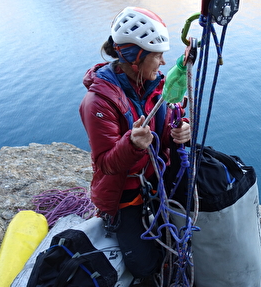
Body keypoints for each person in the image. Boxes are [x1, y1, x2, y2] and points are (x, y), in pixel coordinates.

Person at [79, 7, 191, 284]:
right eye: (157, 56)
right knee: (143, 265)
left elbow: (166, 130)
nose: (163, 63)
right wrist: (131, 144)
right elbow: (105, 162)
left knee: (183, 239)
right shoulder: (98, 102)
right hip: (125, 195)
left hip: (157, 182)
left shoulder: (156, 87)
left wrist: (182, 128)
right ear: (134, 59)